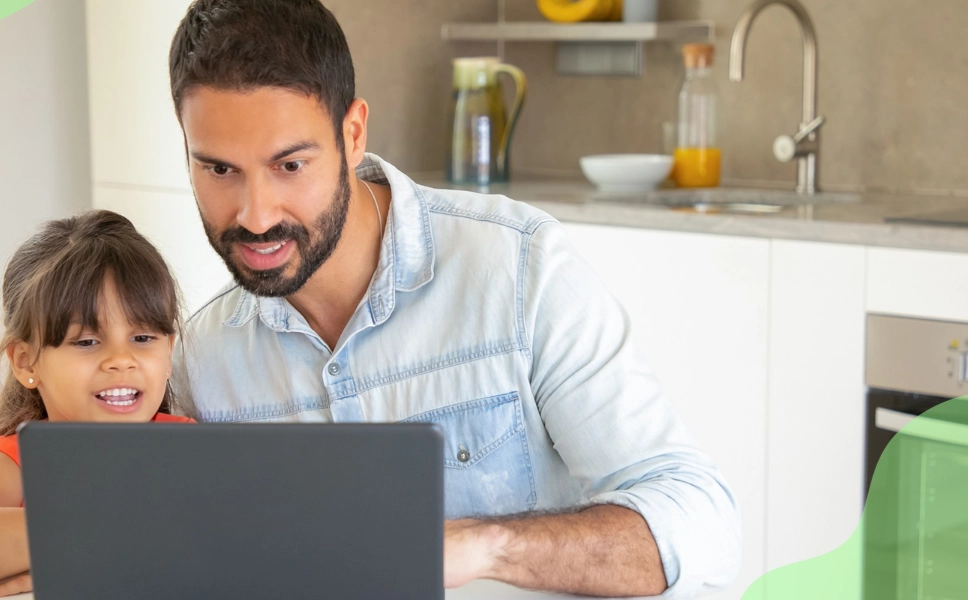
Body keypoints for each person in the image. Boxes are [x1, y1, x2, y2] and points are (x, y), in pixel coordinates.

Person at [166, 0, 740, 597]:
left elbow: (702, 531)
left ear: (353, 133)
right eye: (219, 170)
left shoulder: (519, 271)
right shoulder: (200, 361)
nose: (255, 216)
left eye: (289, 164)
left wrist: (485, 545)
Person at [0, 210, 193, 598]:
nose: (121, 360)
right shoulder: (14, 460)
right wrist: (110, 544)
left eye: (143, 338)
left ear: (169, 352)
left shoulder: (190, 447)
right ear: (26, 362)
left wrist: (80, 556)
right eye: (87, 342)